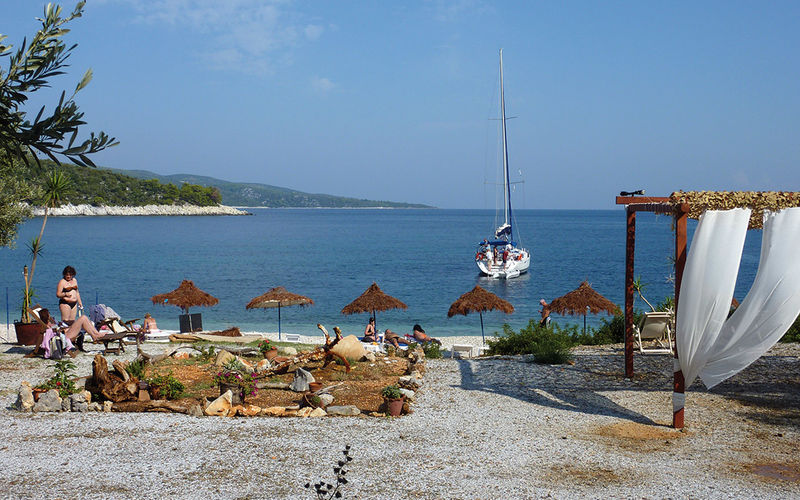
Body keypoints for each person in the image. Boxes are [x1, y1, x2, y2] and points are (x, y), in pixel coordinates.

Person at [39, 308, 106, 352]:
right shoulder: (47, 326)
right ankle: (95, 335)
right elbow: (53, 334)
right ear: (47, 316)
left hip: (65, 332)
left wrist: (62, 327)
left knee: (84, 318)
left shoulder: (50, 323)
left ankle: (95, 334)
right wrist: (61, 329)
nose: (50, 315)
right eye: (48, 314)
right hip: (64, 337)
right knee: (83, 318)